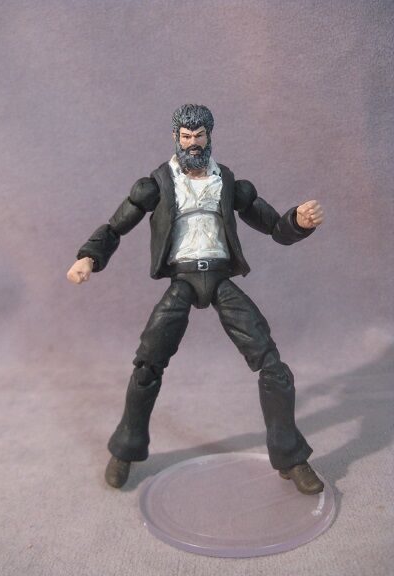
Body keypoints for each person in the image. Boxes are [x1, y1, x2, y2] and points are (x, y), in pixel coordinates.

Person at [67, 104, 324, 495]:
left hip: (220, 278)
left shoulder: (229, 183)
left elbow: (272, 226)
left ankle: (290, 457)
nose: (192, 144)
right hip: (183, 279)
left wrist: (297, 222)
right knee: (147, 364)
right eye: (186, 137)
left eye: (199, 136)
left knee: (273, 366)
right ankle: (125, 449)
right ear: (175, 138)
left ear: (209, 136)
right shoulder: (156, 185)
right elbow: (116, 226)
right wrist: (89, 257)